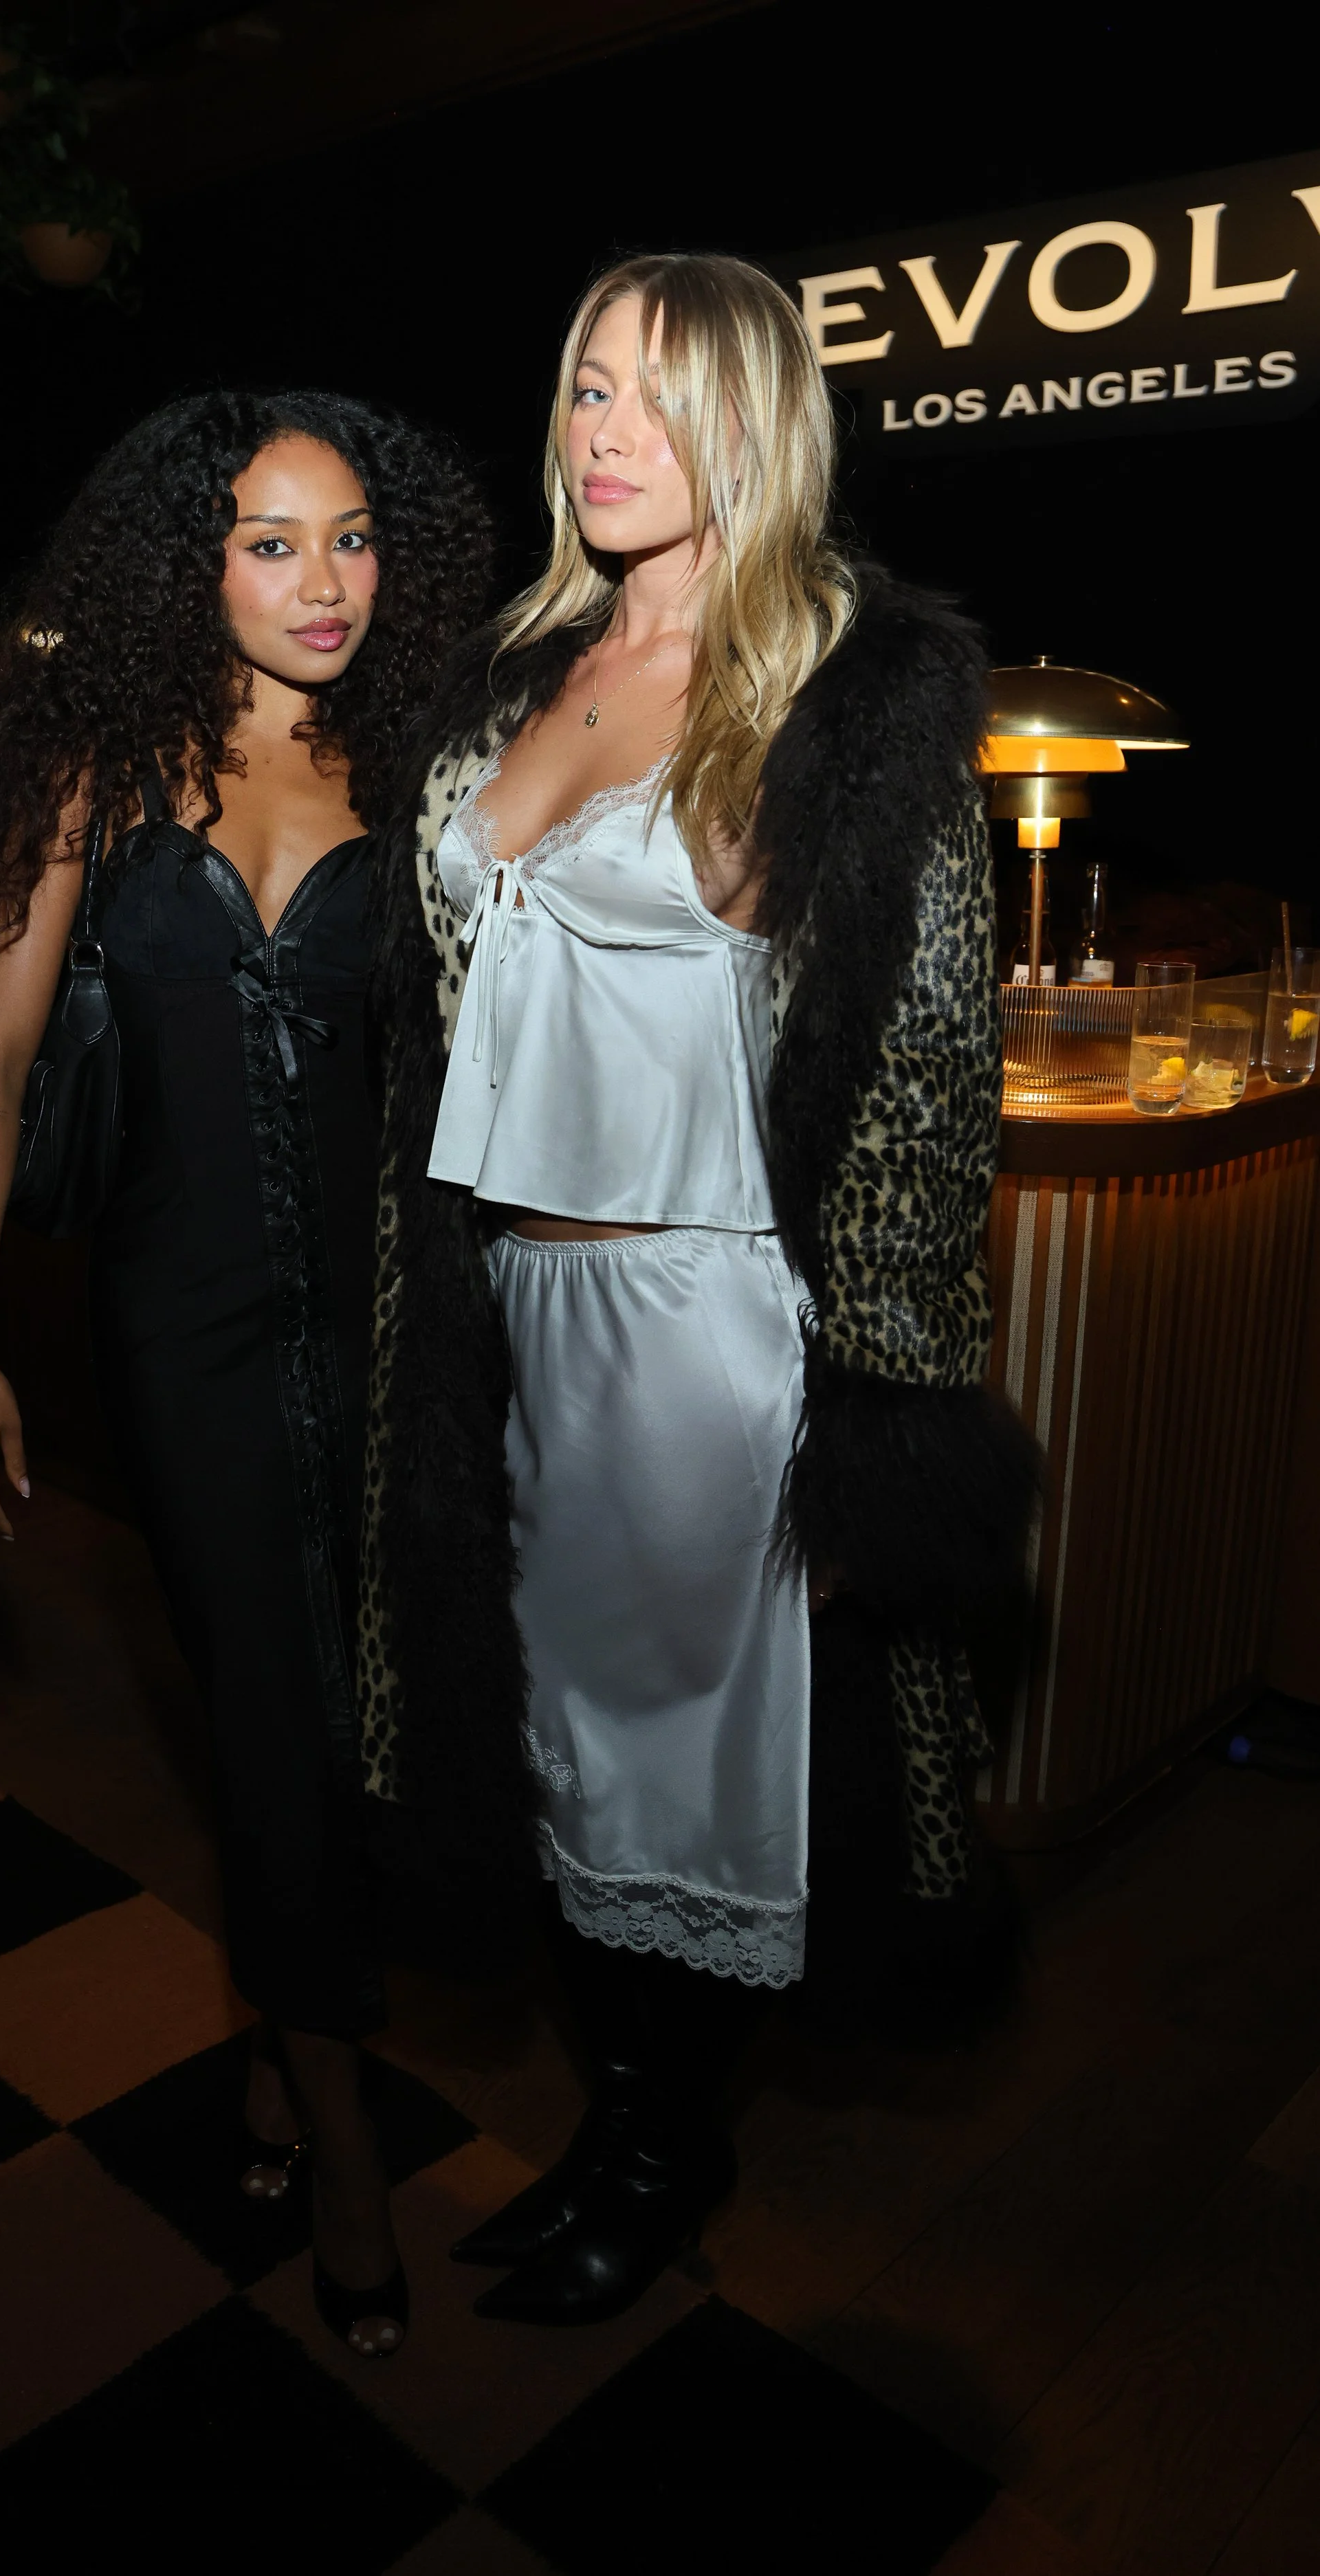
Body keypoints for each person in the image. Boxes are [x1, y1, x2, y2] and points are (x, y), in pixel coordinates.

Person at [362, 254, 1037, 2326]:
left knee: (690, 1785)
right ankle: (621, 2119)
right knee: (544, 1759)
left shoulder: (841, 693)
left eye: (655, 393)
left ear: (759, 418)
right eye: (578, 383)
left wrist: (882, 1417)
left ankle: (655, 2143)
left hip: (707, 1336)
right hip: (509, 1320)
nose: (599, 429)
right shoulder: (512, 676)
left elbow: (921, 1079)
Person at [0, 390, 487, 2361]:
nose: (323, 582)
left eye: (350, 538)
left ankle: (282, 2043)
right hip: (176, 1334)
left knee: (350, 1721)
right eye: (272, 541)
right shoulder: (97, 765)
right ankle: (342, 2132)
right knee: (265, 1706)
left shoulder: (418, 770)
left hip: (387, 1324)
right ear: (194, 560)